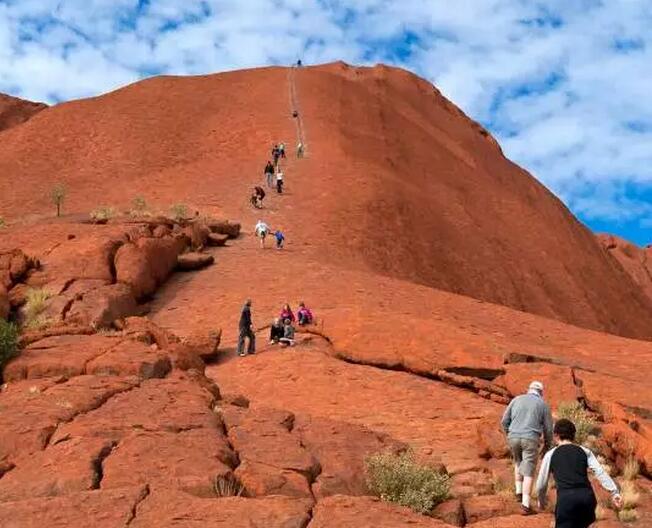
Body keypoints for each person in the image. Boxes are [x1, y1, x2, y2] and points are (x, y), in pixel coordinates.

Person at [536, 419, 623, 527]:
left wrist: (541, 500)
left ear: (556, 435)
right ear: (574, 435)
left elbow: (541, 483)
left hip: (566, 500)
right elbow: (600, 472)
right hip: (587, 498)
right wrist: (615, 492)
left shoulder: (550, 454)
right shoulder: (585, 451)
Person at [501, 380, 554, 515]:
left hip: (513, 436)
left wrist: (509, 434)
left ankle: (518, 492)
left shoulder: (516, 399)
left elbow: (504, 421)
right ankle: (525, 505)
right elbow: (548, 429)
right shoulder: (543, 405)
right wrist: (547, 445)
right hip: (530, 438)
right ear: (541, 392)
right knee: (529, 470)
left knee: (518, 462)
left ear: (528, 389)